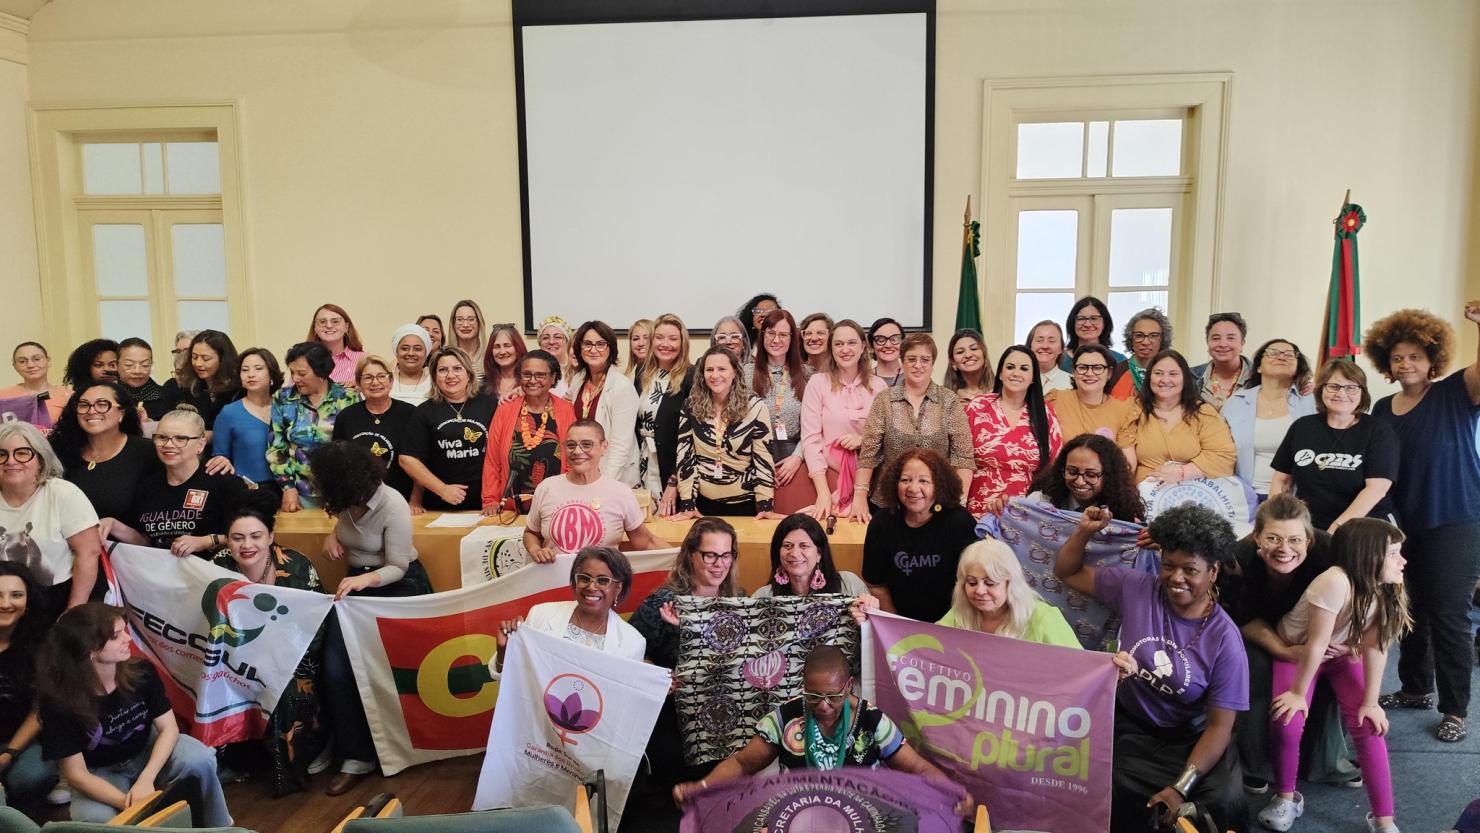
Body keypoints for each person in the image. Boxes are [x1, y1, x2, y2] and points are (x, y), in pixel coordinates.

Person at [1055, 504, 1248, 833]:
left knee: (1222, 802)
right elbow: (1067, 572)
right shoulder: (1137, 589)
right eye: (1169, 565)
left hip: (1193, 738)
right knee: (1114, 784)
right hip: (1134, 729)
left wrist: (1181, 787)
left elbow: (1220, 727)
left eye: (1190, 569)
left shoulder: (1225, 639)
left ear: (1213, 572)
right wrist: (1085, 531)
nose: (1176, 577)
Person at [672, 645, 973, 818]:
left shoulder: (872, 721)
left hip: (861, 816)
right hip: (796, 814)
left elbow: (917, 767)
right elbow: (742, 763)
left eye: (833, 696)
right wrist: (703, 786)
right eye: (813, 695)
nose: (824, 705)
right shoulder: (785, 718)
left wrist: (952, 792)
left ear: (848, 685)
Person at [1366, 302, 1480, 744]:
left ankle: (1455, 709)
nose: (1406, 363)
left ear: (1433, 359)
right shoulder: (1381, 408)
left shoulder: (1454, 392)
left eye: (1415, 356)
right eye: (1397, 357)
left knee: (1449, 616)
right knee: (1408, 610)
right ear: (1387, 363)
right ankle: (1415, 688)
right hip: (1402, 525)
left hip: (1455, 519)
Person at [1259, 519, 1409, 833]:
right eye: (1394, 554)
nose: (1403, 561)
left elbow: (1375, 647)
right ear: (1368, 555)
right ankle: (1286, 797)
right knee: (1288, 721)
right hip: (1299, 651)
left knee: (1370, 725)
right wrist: (1297, 694)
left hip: (1340, 654)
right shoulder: (1335, 580)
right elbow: (1315, 645)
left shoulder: (1385, 588)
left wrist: (1371, 703)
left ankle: (1384, 819)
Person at [36, 603, 230, 825]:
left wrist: (147, 778)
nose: (127, 639)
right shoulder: (57, 703)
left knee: (200, 759)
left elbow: (169, 728)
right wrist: (128, 803)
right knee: (92, 818)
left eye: (124, 631)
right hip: (101, 770)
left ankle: (220, 826)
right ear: (89, 649)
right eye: (116, 636)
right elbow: (76, 774)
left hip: (148, 748)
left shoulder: (141, 671)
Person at [1219, 495, 1360, 797]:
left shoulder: (1331, 554)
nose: (1284, 549)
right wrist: (1282, 650)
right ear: (1257, 537)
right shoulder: (1237, 559)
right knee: (1254, 667)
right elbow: (1241, 617)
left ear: (1309, 540)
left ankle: (1325, 761)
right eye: (1273, 538)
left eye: (1295, 540)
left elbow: (1359, 601)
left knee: (1331, 670)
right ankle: (1254, 765)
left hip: (1316, 631)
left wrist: (1348, 644)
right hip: (1258, 629)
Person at [311, 441, 431, 795]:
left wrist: (364, 580)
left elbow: (398, 565)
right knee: (335, 668)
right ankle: (355, 757)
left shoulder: (392, 503)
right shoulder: (344, 501)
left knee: (389, 670)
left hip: (398, 585)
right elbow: (347, 526)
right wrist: (332, 537)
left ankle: (402, 747)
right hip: (357, 586)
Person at [627, 518, 743, 816]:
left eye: (726, 555)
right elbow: (630, 651)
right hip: (674, 718)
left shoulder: (739, 600)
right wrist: (657, 675)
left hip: (726, 717)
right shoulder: (663, 602)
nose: (719, 564)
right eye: (710, 555)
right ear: (691, 555)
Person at [212, 490, 324, 795]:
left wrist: (276, 660)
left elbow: (316, 625)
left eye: (256, 536)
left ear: (271, 537)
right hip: (237, 656)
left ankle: (292, 769)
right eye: (237, 538)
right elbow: (211, 623)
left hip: (294, 657)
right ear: (227, 540)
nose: (246, 545)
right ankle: (227, 763)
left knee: (287, 691)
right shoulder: (217, 567)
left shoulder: (298, 566)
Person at [853, 333, 972, 523]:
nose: (918, 365)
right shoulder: (884, 400)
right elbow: (869, 453)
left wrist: (959, 504)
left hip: (937, 504)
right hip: (889, 503)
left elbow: (963, 457)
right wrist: (859, 497)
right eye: (911, 359)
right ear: (902, 361)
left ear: (933, 363)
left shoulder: (949, 400)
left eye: (925, 359)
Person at [1270, 360, 1398, 532]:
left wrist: (1336, 529)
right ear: (1321, 389)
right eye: (1333, 386)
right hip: (1308, 527)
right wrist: (1276, 521)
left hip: (1365, 529)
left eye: (1351, 387)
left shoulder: (1378, 430)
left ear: (1362, 393)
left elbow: (1376, 489)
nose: (1341, 393)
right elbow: (1282, 480)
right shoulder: (1302, 427)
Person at [103, 406, 246, 557]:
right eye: (162, 437)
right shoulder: (147, 487)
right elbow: (146, 545)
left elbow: (251, 536)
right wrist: (114, 525)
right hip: (161, 569)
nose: (169, 445)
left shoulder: (223, 481)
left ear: (201, 445)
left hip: (212, 570)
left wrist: (205, 541)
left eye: (181, 438)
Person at [522, 420, 667, 561]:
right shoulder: (546, 488)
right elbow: (531, 533)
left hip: (602, 577)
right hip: (554, 577)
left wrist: (678, 559)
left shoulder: (621, 493)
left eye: (587, 445)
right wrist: (535, 549)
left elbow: (646, 542)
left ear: (604, 447)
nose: (577, 451)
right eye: (571, 445)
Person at [862, 448, 976, 622]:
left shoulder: (959, 521)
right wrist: (896, 623)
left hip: (953, 621)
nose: (913, 488)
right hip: (899, 623)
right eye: (905, 480)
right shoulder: (882, 523)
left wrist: (950, 623)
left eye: (924, 481)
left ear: (939, 485)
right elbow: (875, 584)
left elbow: (974, 580)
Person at [0, 421, 101, 612]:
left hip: (55, 603)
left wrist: (73, 612)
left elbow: (88, 553)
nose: (10, 461)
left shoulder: (63, 494)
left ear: (40, 460)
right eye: (1, 454)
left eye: (22, 453)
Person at [494, 545, 646, 670]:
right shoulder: (540, 615)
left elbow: (624, 695)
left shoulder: (633, 643)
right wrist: (503, 653)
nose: (591, 587)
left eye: (603, 580)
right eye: (584, 578)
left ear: (618, 588)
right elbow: (516, 682)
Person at [669, 346, 778, 519]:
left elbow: (763, 458)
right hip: (701, 504)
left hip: (744, 503)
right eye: (709, 370)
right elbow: (685, 456)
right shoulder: (691, 406)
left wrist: (766, 506)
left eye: (722, 369)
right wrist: (687, 504)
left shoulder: (755, 407)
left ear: (734, 372)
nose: (715, 375)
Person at [800, 319, 887, 521]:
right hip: (827, 479)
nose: (845, 349)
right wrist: (823, 493)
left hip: (872, 483)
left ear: (863, 346)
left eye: (851, 343)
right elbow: (811, 440)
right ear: (831, 348)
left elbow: (887, 437)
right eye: (838, 344)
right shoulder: (817, 383)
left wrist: (863, 439)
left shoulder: (879, 386)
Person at [965, 345, 1063, 516]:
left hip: (1026, 512)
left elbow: (1054, 466)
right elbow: (959, 457)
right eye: (1010, 367)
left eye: (1024, 368)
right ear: (1000, 374)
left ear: (1033, 378)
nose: (1016, 373)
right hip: (978, 509)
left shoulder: (1045, 412)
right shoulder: (978, 406)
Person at [402, 347, 498, 514]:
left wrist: (494, 498)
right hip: (439, 505)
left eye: (457, 368)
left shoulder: (490, 405)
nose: (450, 375)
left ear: (469, 374)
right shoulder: (424, 411)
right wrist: (442, 489)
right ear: (434, 377)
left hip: (486, 504)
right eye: (443, 370)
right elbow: (407, 459)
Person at [480, 349, 574, 516]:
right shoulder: (505, 409)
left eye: (540, 375)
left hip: (557, 506)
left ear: (553, 378)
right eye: (526, 374)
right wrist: (490, 500)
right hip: (511, 509)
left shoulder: (566, 410)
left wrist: (570, 498)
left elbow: (572, 458)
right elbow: (492, 460)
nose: (532, 380)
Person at [268, 342, 360, 512]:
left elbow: (355, 450)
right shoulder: (283, 398)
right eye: (292, 372)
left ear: (321, 372)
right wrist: (288, 486)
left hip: (341, 492)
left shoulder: (348, 398)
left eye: (302, 373)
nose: (295, 378)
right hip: (299, 494)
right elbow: (276, 447)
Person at [1220, 338, 1316, 498]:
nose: (1281, 357)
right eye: (1273, 353)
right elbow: (1219, 450)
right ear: (1258, 366)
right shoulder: (1236, 403)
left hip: (1295, 497)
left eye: (1289, 354)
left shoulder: (1311, 402)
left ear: (1297, 367)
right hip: (1242, 496)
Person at [937, 539, 1079, 646]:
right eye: (972, 582)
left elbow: (1079, 668)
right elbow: (931, 650)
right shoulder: (959, 614)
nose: (980, 591)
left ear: (1011, 583)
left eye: (990, 583)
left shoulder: (1044, 618)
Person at [50, 381, 158, 521]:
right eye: (84, 405)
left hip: (125, 534)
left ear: (122, 412)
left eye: (102, 404)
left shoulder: (147, 452)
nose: (91, 411)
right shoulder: (61, 450)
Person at [1125, 350, 1237, 485]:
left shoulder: (1204, 413)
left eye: (1173, 374)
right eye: (1158, 373)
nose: (1165, 380)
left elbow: (1224, 456)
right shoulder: (1132, 409)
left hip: (1193, 491)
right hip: (1141, 490)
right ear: (1149, 377)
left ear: (1185, 378)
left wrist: (1183, 472)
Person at [0, 562, 58, 816]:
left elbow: (40, 709)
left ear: (28, 600)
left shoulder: (41, 645)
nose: (6, 604)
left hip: (19, 741)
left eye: (16, 595)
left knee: (34, 775)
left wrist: (9, 754)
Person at [744, 310, 813, 513]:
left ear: (792, 338)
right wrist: (758, 462)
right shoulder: (745, 374)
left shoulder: (808, 376)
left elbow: (815, 426)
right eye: (771, 333)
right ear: (762, 335)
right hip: (753, 458)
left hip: (794, 459)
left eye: (783, 335)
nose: (776, 340)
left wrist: (798, 457)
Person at [566, 321, 640, 487]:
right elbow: (558, 404)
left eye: (600, 344)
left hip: (611, 475)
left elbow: (621, 445)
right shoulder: (579, 379)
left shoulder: (621, 387)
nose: (593, 350)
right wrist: (521, 391)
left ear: (610, 348)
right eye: (587, 344)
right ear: (579, 348)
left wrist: (604, 485)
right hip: (582, 469)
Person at [634, 314, 694, 517]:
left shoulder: (691, 376)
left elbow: (692, 438)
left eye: (673, 339)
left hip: (672, 470)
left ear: (682, 343)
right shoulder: (642, 372)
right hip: (642, 462)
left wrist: (674, 481)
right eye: (659, 337)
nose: (665, 344)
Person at [332, 356, 416, 499]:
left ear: (391, 381)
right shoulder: (346, 417)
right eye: (368, 377)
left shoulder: (410, 413)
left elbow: (420, 462)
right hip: (358, 499)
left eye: (381, 376)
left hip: (401, 498)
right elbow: (337, 463)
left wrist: (415, 500)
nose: (375, 382)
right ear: (358, 384)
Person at [1026, 433, 1145, 521]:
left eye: (1091, 475)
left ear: (1109, 476)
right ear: (1062, 469)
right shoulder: (1039, 501)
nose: (1080, 481)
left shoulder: (1124, 510)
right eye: (1072, 472)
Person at [753, 513, 871, 599]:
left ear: (819, 553)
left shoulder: (850, 585)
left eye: (804, 546)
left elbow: (872, 626)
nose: (794, 553)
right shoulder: (762, 597)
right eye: (787, 545)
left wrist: (868, 614)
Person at [210, 347, 280, 491]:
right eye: (245, 370)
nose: (251, 374)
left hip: (288, 489)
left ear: (271, 374)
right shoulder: (229, 412)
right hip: (249, 490)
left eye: (258, 368)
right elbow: (220, 458)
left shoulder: (285, 408)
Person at [1044, 343, 1138, 450]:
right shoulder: (1055, 401)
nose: (1089, 373)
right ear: (1074, 372)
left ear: (1109, 373)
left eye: (1097, 368)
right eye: (1082, 368)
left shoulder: (1123, 412)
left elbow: (1128, 458)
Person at [182, 330, 238, 435]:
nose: (198, 363)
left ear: (222, 359)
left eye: (206, 359)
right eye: (194, 357)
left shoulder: (237, 389)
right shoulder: (190, 386)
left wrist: (208, 436)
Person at [1, 342, 71, 428]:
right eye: (22, 361)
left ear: (48, 361)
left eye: (37, 359)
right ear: (14, 366)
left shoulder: (69, 396)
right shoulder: (3, 396)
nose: (30, 365)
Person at [1191, 312, 1253, 410]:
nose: (1223, 344)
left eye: (1230, 338)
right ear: (1207, 342)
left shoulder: (1259, 378)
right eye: (1216, 338)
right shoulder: (1190, 376)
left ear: (1242, 343)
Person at [1108, 308, 1172, 400]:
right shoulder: (1115, 373)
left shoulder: (1173, 374)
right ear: (1131, 338)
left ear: (1162, 339)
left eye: (1153, 336)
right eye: (1139, 335)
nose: (1146, 342)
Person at [304, 304, 365, 386]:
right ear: (315, 328)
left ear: (346, 327)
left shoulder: (363, 359)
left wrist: (361, 386)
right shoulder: (303, 361)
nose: (329, 326)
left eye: (335, 321)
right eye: (322, 322)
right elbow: (291, 391)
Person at [1062, 296, 1125, 370]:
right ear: (1072, 323)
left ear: (1105, 323)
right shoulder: (1060, 360)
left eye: (1094, 318)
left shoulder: (1120, 361)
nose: (1087, 324)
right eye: (1081, 319)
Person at [115, 338, 167, 424]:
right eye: (129, 365)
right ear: (116, 365)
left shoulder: (165, 396)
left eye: (145, 365)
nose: (137, 371)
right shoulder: (106, 397)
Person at [481, 323, 526, 403]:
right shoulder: (483, 385)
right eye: (497, 347)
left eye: (507, 345)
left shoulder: (529, 382)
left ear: (518, 348)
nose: (502, 352)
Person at [389, 324, 433, 406]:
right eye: (404, 348)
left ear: (426, 353)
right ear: (396, 352)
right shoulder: (385, 380)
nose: (411, 353)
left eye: (417, 349)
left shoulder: (434, 381)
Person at [944, 328, 992, 401]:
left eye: (974, 349)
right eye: (960, 352)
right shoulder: (943, 397)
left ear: (984, 355)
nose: (968, 355)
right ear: (953, 362)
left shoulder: (1002, 391)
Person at [1027, 320, 1073, 393]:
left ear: (1061, 348)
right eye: (1039, 340)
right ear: (1030, 346)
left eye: (1052, 341)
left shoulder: (1072, 383)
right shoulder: (1017, 379)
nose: (1045, 346)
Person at [449, 300, 487, 380]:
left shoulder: (490, 356)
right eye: (460, 319)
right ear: (453, 324)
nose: (465, 325)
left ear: (479, 323)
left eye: (471, 319)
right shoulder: (445, 356)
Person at [537, 315, 574, 395]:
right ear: (540, 343)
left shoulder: (576, 371)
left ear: (567, 342)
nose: (551, 342)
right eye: (546, 338)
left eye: (557, 337)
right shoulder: (533, 371)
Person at [867, 317, 905, 387]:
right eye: (881, 340)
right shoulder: (864, 380)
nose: (888, 345)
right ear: (871, 345)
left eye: (894, 339)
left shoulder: (914, 375)